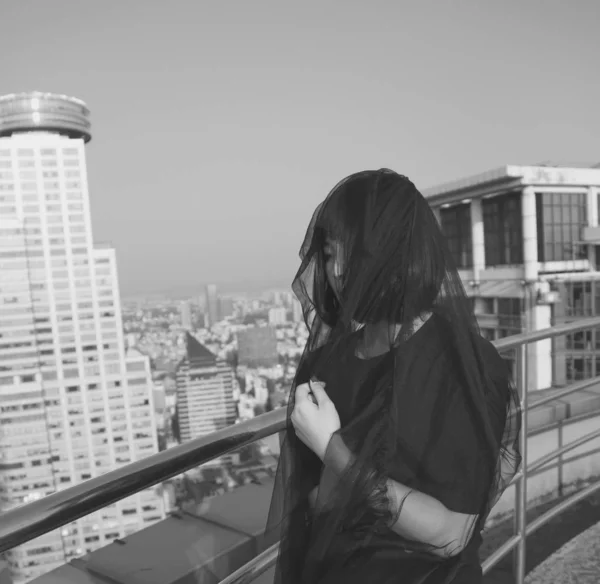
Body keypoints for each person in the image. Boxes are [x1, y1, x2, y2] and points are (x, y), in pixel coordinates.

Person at [262, 169, 522, 584]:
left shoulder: (462, 366)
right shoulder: (324, 365)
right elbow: (311, 501)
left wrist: (333, 449)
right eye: (329, 254)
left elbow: (449, 535)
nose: (339, 270)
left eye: (355, 253)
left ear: (396, 254)